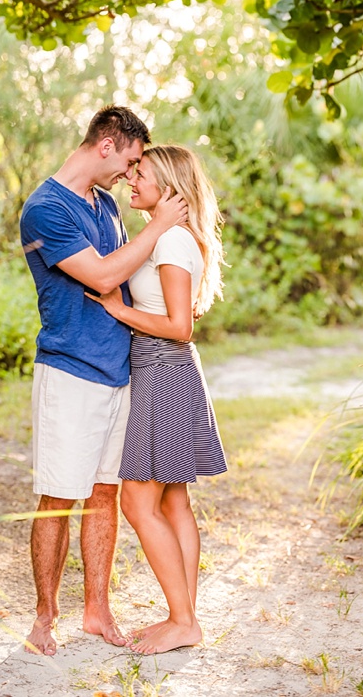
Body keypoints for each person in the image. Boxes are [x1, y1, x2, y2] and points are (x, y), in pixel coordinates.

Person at [19, 107, 189, 658]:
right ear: (107, 146)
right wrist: (162, 225)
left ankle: (97, 610)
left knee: (103, 496)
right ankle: (45, 616)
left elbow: (136, 280)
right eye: (132, 161)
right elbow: (105, 276)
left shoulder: (109, 205)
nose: (130, 173)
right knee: (57, 498)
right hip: (70, 370)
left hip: (122, 374)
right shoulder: (45, 209)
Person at [86, 144, 227, 656]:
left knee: (137, 501)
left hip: (162, 370)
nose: (131, 180)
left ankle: (184, 621)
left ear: (167, 185)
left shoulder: (169, 242)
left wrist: (115, 309)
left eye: (140, 173)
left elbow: (180, 328)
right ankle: (182, 616)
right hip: (164, 371)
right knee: (172, 500)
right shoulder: (167, 238)